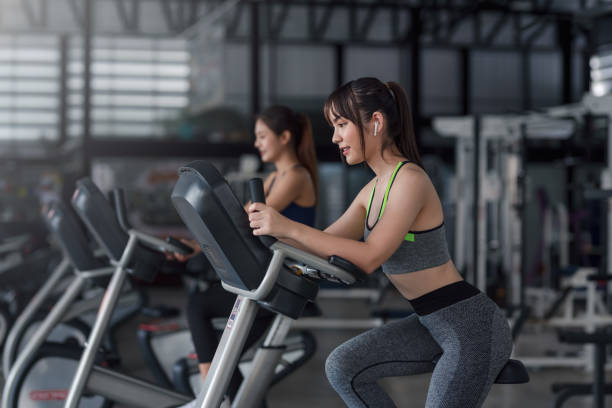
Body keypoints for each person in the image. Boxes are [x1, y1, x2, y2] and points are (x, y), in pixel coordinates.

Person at [247, 77, 512, 408]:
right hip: (429, 321)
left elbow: (371, 256)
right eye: (334, 126)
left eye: (342, 124)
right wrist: (268, 229)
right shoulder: (373, 190)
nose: (335, 137)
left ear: (376, 121)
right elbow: (325, 242)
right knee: (343, 366)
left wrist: (287, 226)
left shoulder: (410, 180)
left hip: (470, 327)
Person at [175, 104, 318, 406]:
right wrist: (195, 246)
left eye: (262, 136)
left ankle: (210, 398)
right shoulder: (273, 178)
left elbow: (246, 223)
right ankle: (216, 397)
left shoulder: (295, 176)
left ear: (284, 137)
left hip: (280, 280)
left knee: (201, 313)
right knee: (223, 360)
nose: (257, 143)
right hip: (267, 275)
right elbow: (240, 223)